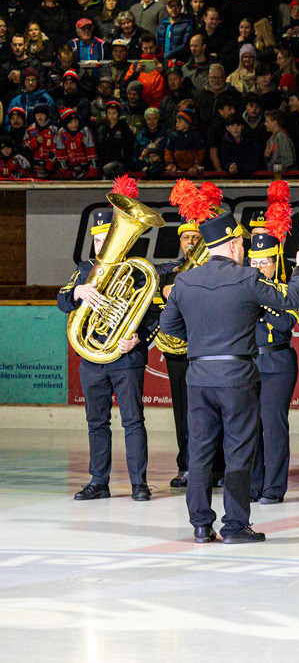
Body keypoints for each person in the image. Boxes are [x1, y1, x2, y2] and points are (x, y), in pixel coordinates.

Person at [160, 209, 299, 544]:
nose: (244, 250)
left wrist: (202, 341)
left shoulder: (185, 280)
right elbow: (291, 299)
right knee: (238, 452)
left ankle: (200, 525)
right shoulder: (247, 278)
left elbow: (168, 326)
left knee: (200, 452)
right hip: (237, 376)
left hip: (199, 375)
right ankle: (234, 525)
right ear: (233, 244)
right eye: (242, 244)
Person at [57, 206, 160, 502]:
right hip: (92, 358)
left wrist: (138, 338)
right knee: (96, 422)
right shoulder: (84, 269)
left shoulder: (137, 272)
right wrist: (78, 292)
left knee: (133, 420)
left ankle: (139, 483)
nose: (102, 245)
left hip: (126, 357)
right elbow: (62, 300)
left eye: (108, 238)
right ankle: (99, 481)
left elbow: (156, 315)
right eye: (98, 240)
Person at [247, 233, 299, 505]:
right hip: (248, 364)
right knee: (250, 428)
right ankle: (253, 485)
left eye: (264, 262)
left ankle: (274, 487)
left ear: (276, 263)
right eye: (254, 262)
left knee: (273, 425)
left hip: (277, 362)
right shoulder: (244, 288)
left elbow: (285, 323)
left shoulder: (287, 290)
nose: (258, 268)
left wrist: (264, 302)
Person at [155, 220, 203, 488]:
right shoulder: (166, 272)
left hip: (205, 350)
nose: (191, 242)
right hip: (178, 353)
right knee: (183, 412)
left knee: (213, 412)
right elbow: (152, 306)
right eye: (186, 237)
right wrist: (162, 293)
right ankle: (185, 466)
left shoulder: (210, 270)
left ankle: (216, 468)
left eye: (196, 237)